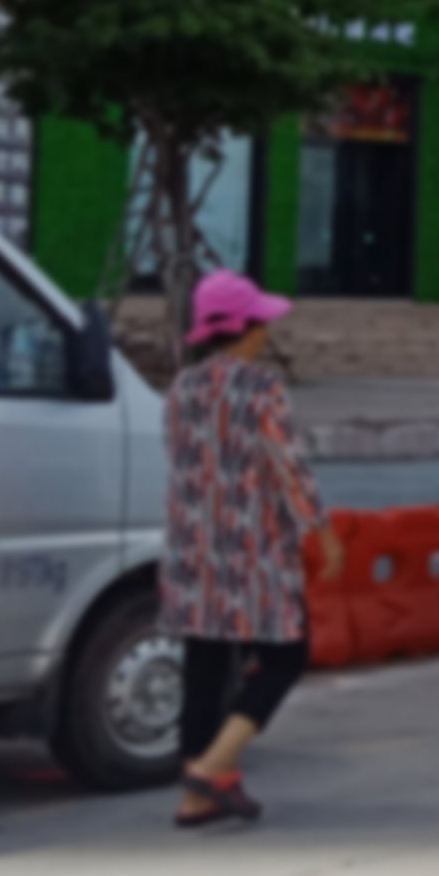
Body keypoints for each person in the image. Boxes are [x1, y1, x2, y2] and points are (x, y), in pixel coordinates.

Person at [162, 272, 342, 829]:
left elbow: (178, 458)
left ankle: (194, 799)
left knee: (204, 662)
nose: (267, 331)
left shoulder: (182, 387)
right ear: (248, 328)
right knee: (287, 656)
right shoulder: (263, 388)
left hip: (192, 547)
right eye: (262, 322)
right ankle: (213, 767)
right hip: (252, 548)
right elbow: (287, 465)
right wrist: (321, 530)